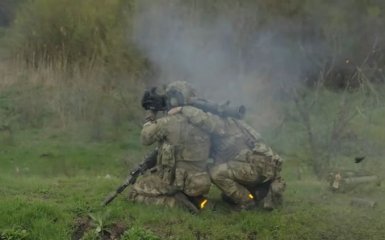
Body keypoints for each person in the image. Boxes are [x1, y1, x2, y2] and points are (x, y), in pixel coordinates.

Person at [166, 81, 285, 210]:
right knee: (219, 173)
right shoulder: (234, 121)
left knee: (216, 173)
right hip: (264, 166)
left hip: (255, 167)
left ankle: (247, 202)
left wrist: (183, 109)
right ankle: (259, 192)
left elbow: (204, 120)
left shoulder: (220, 124)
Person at [127, 82, 212, 212]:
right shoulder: (206, 122)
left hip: (176, 182)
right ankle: (194, 198)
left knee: (135, 192)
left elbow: (145, 138)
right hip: (199, 181)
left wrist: (151, 116)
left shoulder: (167, 123)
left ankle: (178, 204)